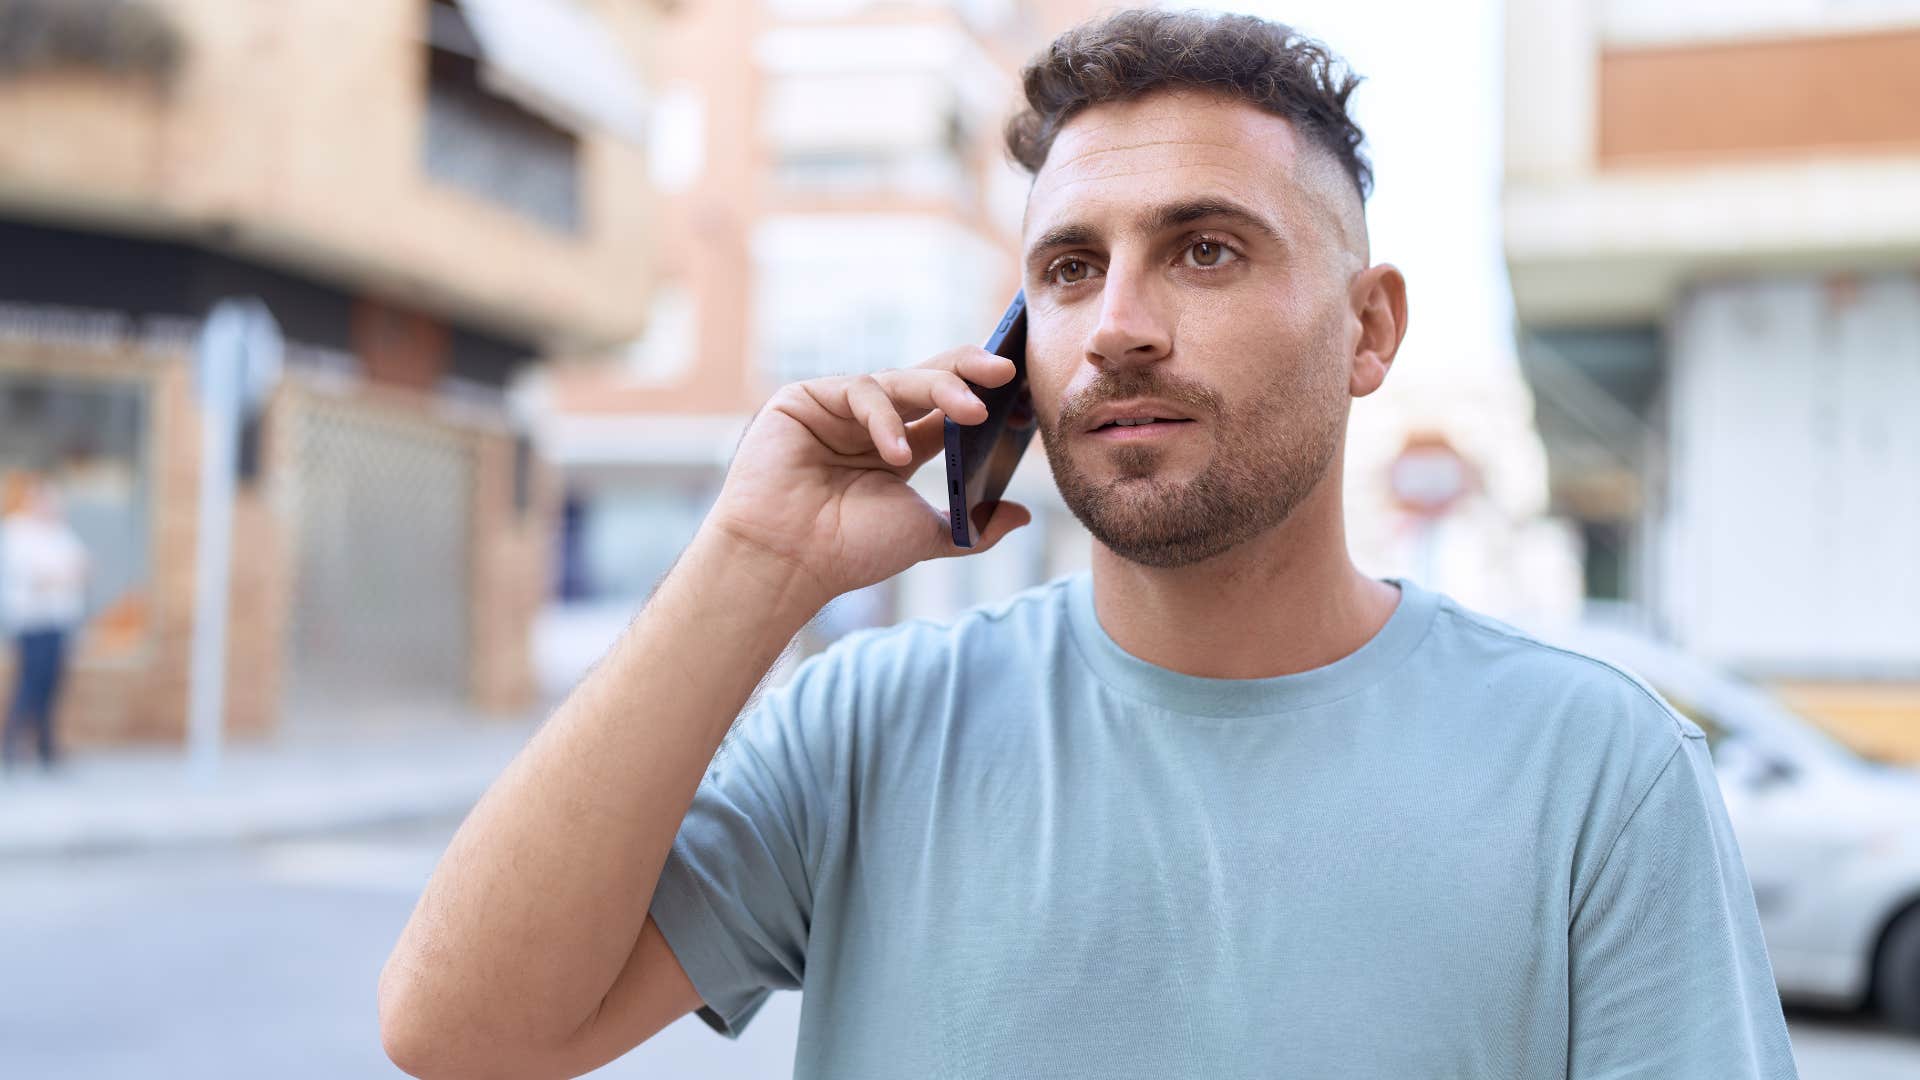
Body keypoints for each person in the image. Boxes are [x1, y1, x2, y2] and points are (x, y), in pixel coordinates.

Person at [379, 10, 1798, 1078]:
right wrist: (760, 560)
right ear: (1016, 344)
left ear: (1368, 330)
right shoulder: (875, 729)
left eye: (1207, 249)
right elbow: (463, 1032)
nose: (1117, 322)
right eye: (1069, 268)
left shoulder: (1595, 772)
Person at [1, 472, 89, 772]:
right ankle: (10, 744)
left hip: (60, 619)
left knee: (53, 684)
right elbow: (36, 577)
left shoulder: (58, 532)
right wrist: (61, 576)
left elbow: (82, 566)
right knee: (30, 683)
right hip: (31, 621)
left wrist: (62, 576)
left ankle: (45, 747)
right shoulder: (16, 532)